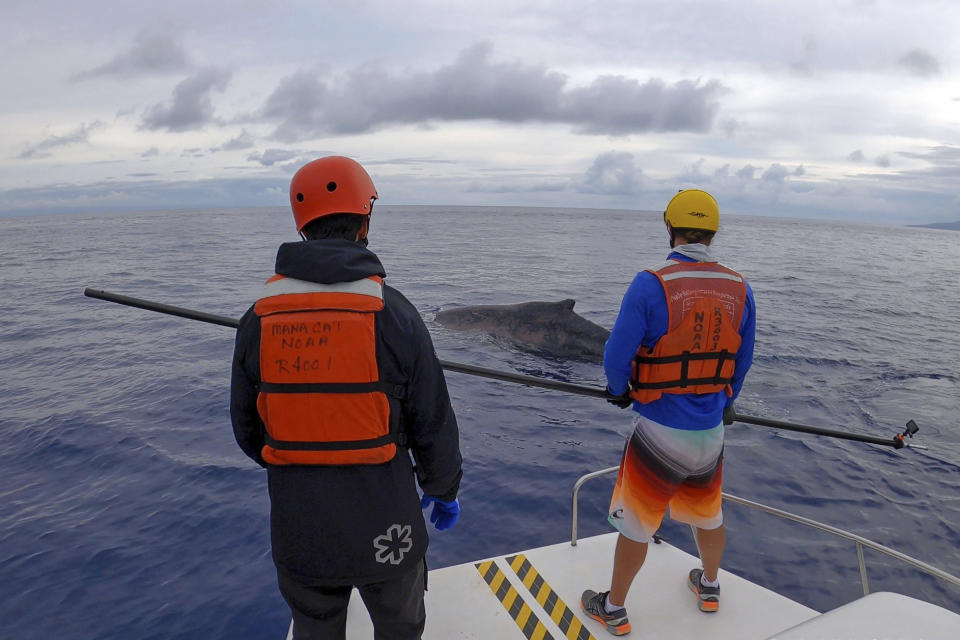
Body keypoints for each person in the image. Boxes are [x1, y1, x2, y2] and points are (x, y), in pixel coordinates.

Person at [230, 156, 463, 639]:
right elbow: (433, 420)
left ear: (302, 225)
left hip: (301, 530)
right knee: (400, 627)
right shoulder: (394, 313)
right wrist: (442, 489)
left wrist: (301, 457)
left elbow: (248, 432)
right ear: (365, 221)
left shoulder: (258, 320)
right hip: (389, 529)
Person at [581, 189, 756, 636]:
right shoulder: (740, 286)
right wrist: (725, 399)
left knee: (636, 527)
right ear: (713, 234)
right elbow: (742, 360)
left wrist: (619, 390)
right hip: (710, 432)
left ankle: (614, 608)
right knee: (709, 515)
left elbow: (616, 354)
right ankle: (710, 585)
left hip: (659, 431)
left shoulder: (650, 282)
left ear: (669, 227)